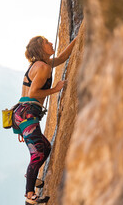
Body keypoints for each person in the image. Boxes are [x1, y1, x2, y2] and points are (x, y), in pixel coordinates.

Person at [13, 35, 77, 204]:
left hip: (23, 114)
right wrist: (55, 89)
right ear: (41, 49)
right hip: (27, 114)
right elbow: (33, 93)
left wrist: (78, 38)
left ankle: (31, 177)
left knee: (46, 148)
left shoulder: (43, 64)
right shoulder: (42, 67)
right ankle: (29, 195)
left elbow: (63, 57)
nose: (51, 43)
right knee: (38, 153)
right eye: (46, 43)